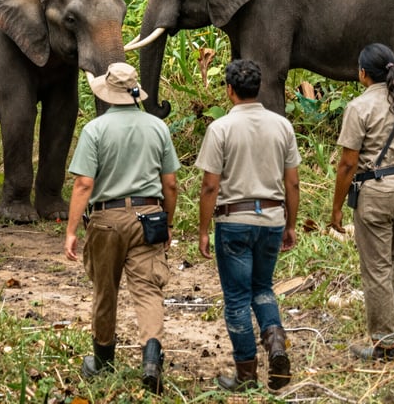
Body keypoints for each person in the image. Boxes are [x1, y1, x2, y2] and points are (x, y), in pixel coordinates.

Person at [65, 62, 180, 393]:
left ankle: (103, 360)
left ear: (107, 92)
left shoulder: (95, 130)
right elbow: (170, 184)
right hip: (149, 216)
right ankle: (152, 357)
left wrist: (72, 230)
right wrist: (168, 222)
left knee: (105, 288)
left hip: (108, 220)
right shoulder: (157, 127)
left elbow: (84, 184)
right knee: (148, 289)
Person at [196, 59, 300, 392]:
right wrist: (291, 224)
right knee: (264, 288)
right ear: (258, 88)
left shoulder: (221, 128)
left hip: (234, 221)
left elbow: (210, 185)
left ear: (229, 90)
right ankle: (276, 343)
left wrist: (201, 229)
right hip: (272, 218)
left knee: (238, 298)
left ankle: (246, 373)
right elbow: (293, 184)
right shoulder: (281, 125)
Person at [329, 42, 394, 361]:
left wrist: (337, 208)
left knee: (376, 267)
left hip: (376, 193)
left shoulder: (360, 107)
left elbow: (348, 164)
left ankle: (386, 343)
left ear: (363, 73)